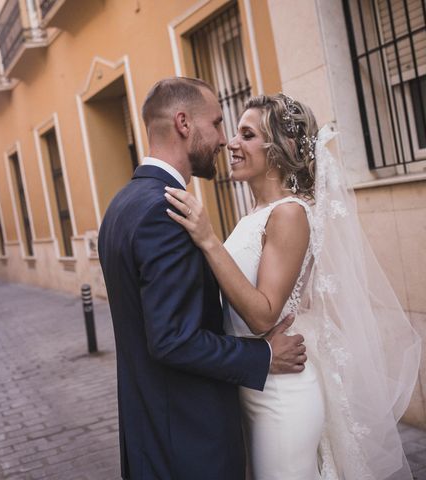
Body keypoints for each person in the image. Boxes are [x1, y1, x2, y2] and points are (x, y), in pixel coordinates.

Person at [165, 93, 421, 479]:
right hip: (255, 384)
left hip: (282, 395)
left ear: (279, 149)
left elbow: (263, 314)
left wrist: (208, 240)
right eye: (235, 133)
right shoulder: (258, 215)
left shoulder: (290, 214)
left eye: (247, 134)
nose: (231, 144)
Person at [98, 78, 307, 480]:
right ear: (183, 123)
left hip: (151, 433)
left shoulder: (122, 204)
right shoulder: (166, 211)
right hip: (188, 441)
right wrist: (263, 357)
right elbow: (174, 340)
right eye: (216, 123)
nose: (223, 140)